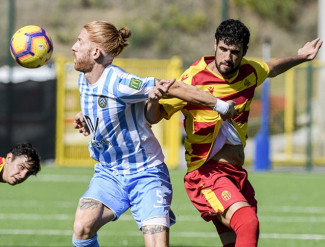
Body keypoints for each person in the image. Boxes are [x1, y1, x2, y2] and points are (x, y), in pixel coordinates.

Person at [145, 19, 323, 247]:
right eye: (223, 49)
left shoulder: (250, 71)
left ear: (244, 52)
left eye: (235, 52)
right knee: (248, 222)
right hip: (206, 174)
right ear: (215, 45)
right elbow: (153, 117)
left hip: (235, 173)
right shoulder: (193, 79)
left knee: (240, 237)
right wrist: (153, 100)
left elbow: (273, 67)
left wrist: (302, 56)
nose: (227, 58)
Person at [71, 20, 237, 247]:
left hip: (146, 173)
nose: (74, 46)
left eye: (80, 42)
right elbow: (101, 105)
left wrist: (220, 105)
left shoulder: (119, 82)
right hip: (110, 172)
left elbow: (173, 87)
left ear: (96, 52)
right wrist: (87, 117)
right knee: (82, 227)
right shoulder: (84, 78)